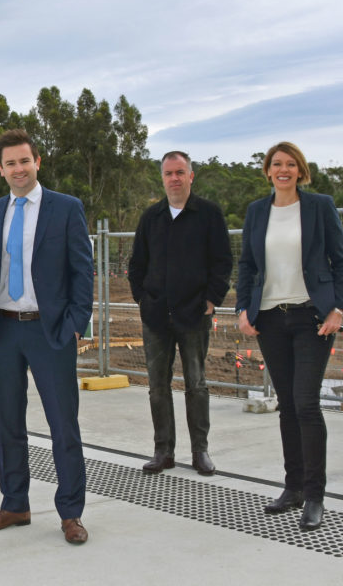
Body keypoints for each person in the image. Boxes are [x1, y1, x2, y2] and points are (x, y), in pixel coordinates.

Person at [0, 129, 94, 545]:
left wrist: (76, 323)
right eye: (10, 163)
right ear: (0, 169)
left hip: (49, 330)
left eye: (25, 161)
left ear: (37, 162)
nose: (18, 169)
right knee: (7, 422)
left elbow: (82, 271)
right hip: (1, 330)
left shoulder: (66, 208)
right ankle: (14, 504)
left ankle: (71, 512)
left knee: (63, 425)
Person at [237, 141, 343, 531]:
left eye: (290, 164)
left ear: (300, 170)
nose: (283, 170)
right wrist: (242, 309)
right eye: (276, 164)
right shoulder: (256, 211)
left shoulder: (319, 206)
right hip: (270, 319)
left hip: (311, 318)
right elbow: (248, 264)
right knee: (287, 405)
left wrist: (338, 308)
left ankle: (315, 495)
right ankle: (293, 487)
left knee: (305, 404)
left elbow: (340, 259)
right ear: (267, 170)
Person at [128, 151, 232, 476]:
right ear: (162, 178)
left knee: (196, 384)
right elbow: (136, 265)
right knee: (157, 386)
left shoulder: (209, 215)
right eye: (168, 173)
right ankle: (163, 451)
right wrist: (143, 299)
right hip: (156, 316)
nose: (174, 178)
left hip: (193, 315)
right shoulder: (151, 217)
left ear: (190, 176)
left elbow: (222, 262)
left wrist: (212, 300)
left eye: (179, 172)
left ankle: (200, 452)